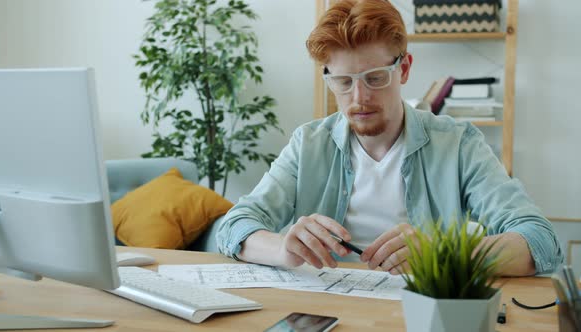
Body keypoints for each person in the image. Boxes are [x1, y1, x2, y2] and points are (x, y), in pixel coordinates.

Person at [216, 0, 563, 276]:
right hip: (325, 311)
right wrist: (283, 248)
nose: (359, 98)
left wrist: (441, 254)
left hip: (423, 310)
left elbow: (540, 241)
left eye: (376, 78)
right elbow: (234, 227)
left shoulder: (457, 144)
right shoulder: (308, 144)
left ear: (405, 69)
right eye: (343, 82)